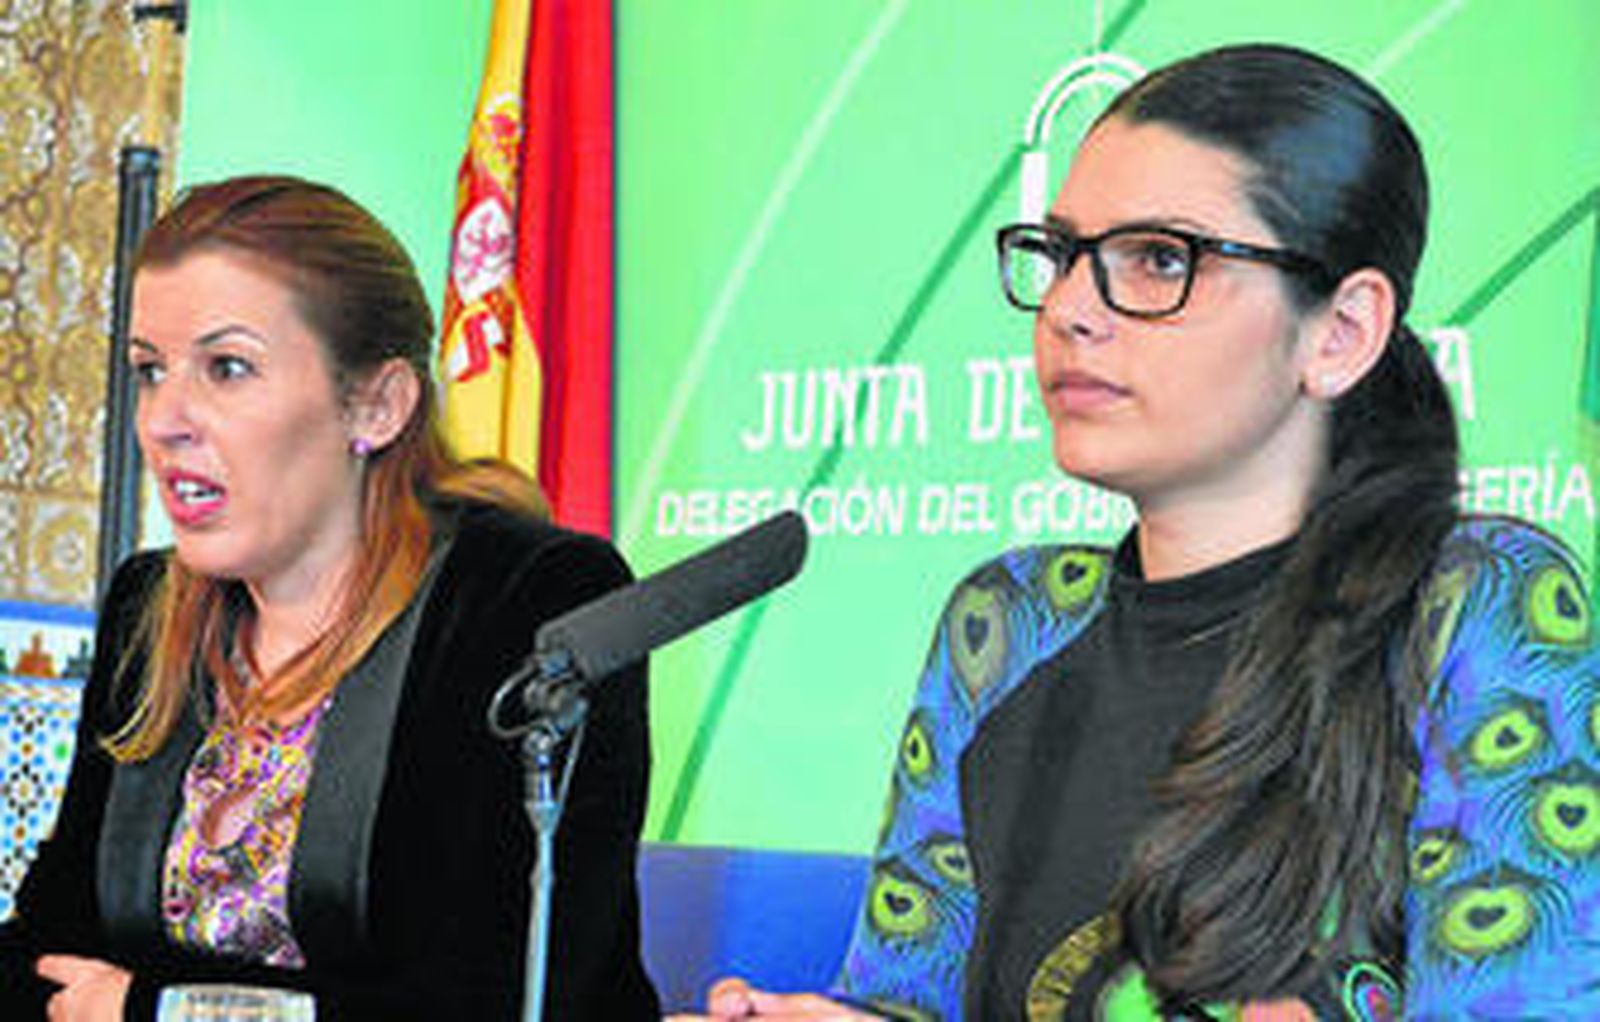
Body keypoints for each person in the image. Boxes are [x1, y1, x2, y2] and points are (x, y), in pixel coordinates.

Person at [702, 43, 1599, 1020]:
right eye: (1062, 256)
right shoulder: (1006, 625)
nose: (1070, 310)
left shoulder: (1472, 601)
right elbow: (912, 992)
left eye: (1160, 259)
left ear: (1338, 331)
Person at [0, 176, 660, 1020]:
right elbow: (58, 949)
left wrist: (162, 1011)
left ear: (378, 404)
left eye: (226, 368)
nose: (164, 418)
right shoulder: (150, 607)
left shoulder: (531, 607)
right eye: (150, 370)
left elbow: (494, 997)